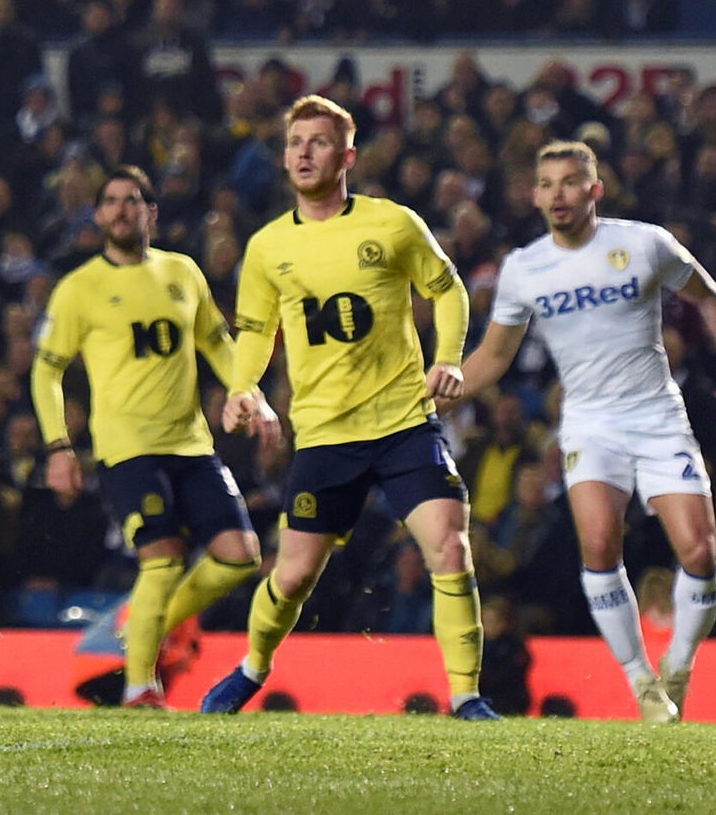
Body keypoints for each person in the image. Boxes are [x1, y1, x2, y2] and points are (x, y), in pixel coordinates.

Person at [201, 94, 502, 721]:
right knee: (290, 576)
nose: (303, 153)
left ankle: (468, 696)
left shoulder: (392, 224)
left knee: (449, 546)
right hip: (324, 436)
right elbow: (256, 330)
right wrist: (244, 387)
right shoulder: (266, 247)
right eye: (295, 143)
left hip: (401, 424)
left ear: (348, 156)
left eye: (317, 142)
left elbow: (449, 293)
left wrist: (448, 357)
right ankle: (252, 668)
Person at [447, 140, 716, 722]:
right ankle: (641, 681)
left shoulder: (643, 243)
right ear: (535, 195)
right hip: (590, 422)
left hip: (657, 416)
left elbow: (708, 297)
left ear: (595, 189)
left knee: (700, 552)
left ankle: (680, 666)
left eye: (570, 181)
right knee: (596, 545)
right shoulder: (525, 267)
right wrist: (444, 394)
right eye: (548, 183)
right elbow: (494, 355)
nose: (558, 193)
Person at [32, 167, 265, 707]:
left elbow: (217, 341)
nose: (121, 210)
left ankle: (143, 622)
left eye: (132, 201)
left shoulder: (183, 272)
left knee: (240, 556)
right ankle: (140, 684)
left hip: (191, 444)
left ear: (151, 214)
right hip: (126, 449)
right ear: (97, 215)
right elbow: (46, 371)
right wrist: (58, 446)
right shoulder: (80, 288)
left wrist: (248, 391)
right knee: (161, 560)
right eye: (111, 201)